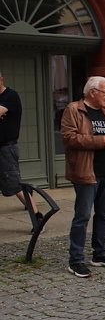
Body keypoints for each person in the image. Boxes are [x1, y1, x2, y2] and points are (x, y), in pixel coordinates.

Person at [61, 76, 105, 278]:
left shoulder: (104, 112)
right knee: (82, 216)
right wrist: (100, 141)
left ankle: (100, 254)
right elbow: (69, 138)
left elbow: (103, 135)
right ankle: (76, 260)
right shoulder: (74, 109)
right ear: (92, 92)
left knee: (104, 215)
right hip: (86, 172)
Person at [0, 70, 41, 229]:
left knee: (14, 184)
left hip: (6, 148)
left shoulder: (10, 96)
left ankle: (38, 218)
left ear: (1, 79)